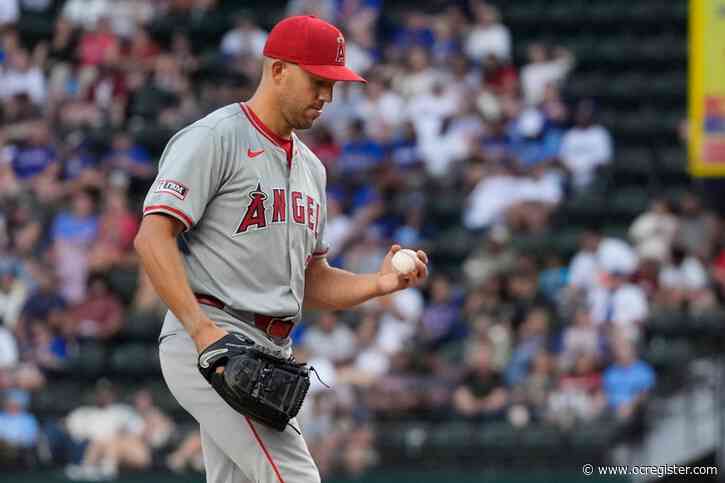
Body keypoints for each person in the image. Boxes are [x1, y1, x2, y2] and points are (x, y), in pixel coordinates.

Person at [134, 15, 429, 483]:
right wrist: (201, 331)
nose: (326, 98)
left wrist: (379, 283)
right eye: (318, 81)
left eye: (332, 85)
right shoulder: (216, 137)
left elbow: (310, 280)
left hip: (270, 352)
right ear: (278, 70)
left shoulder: (312, 169)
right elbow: (152, 237)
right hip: (216, 338)